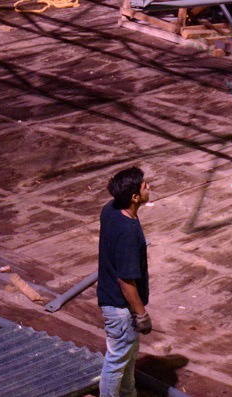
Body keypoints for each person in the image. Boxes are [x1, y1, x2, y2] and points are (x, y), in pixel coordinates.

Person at [97, 166, 153, 397]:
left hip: (113, 301)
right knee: (116, 363)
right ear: (134, 197)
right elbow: (126, 280)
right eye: (144, 186)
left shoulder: (110, 209)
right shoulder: (128, 233)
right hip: (120, 309)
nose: (148, 186)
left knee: (128, 359)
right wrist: (141, 314)